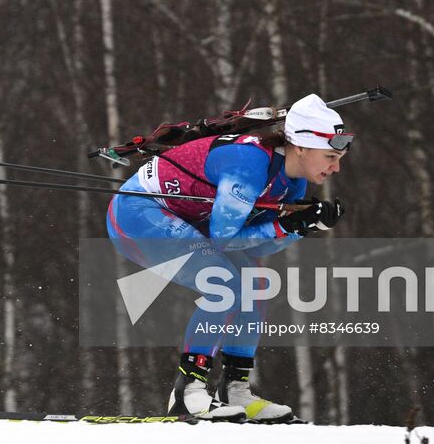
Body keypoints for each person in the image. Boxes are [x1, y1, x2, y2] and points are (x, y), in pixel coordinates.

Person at [105, 93, 351, 422]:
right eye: (330, 156)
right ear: (302, 147)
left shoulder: (292, 182)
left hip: (189, 221)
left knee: (256, 283)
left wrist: (302, 226)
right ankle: (187, 391)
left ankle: (235, 389)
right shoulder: (248, 165)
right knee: (222, 283)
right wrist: (286, 225)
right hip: (138, 215)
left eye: (339, 158)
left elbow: (255, 246)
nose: (336, 167)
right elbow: (225, 240)